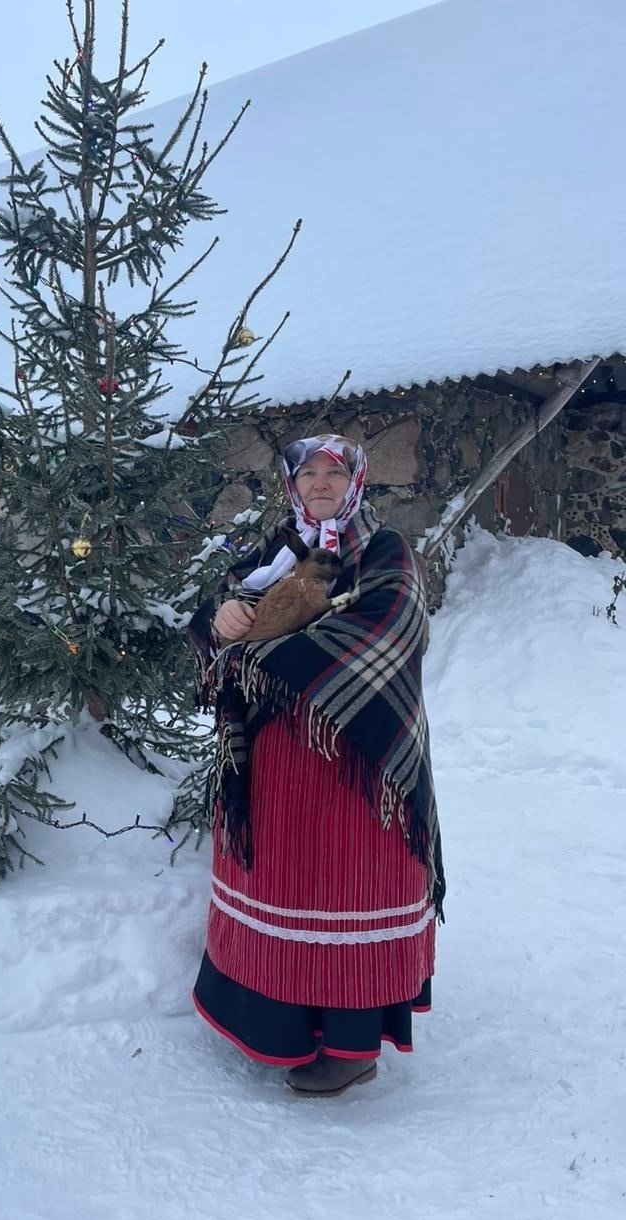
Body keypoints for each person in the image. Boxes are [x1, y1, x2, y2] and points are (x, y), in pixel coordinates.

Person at [188, 434, 445, 1097]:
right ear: (292, 485)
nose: (321, 483)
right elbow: (218, 618)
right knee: (283, 884)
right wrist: (223, 619)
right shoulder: (276, 551)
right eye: (309, 474)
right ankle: (276, 1026)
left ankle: (351, 1046)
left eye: (334, 472)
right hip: (275, 760)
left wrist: (258, 653)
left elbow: (386, 628)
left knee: (345, 890)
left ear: (356, 481)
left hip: (355, 761)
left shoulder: (384, 551)